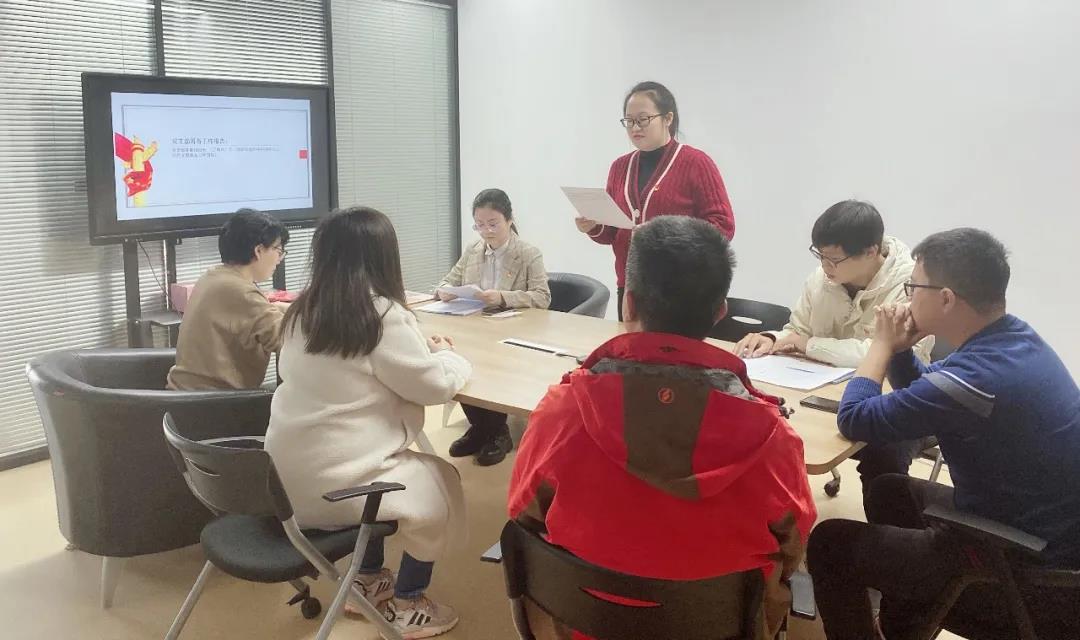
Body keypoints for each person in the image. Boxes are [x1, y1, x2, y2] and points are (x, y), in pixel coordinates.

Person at [509, 216, 816, 640]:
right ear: (720, 312)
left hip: (587, 623)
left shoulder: (563, 410)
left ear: (628, 304)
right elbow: (793, 542)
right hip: (720, 628)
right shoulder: (772, 437)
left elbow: (523, 512)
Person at [807, 228, 1080, 640]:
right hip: (1038, 534)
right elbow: (929, 392)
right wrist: (901, 350)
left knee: (830, 544)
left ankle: (918, 608)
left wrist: (881, 346)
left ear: (946, 298)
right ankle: (904, 625)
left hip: (1029, 577)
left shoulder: (978, 380)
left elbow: (855, 418)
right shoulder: (1014, 340)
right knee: (889, 490)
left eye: (914, 287)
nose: (907, 296)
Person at [265, 207, 472, 639]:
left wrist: (419, 352)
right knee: (440, 482)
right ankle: (409, 603)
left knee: (381, 469)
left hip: (281, 484)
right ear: (384, 256)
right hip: (338, 486)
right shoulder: (381, 315)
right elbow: (434, 387)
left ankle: (368, 578)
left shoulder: (300, 312)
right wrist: (450, 358)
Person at [735, 200, 933, 503]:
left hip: (893, 396)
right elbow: (798, 329)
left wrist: (809, 345)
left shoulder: (910, 285)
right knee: (760, 426)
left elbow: (883, 352)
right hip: (822, 393)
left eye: (834, 259)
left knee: (885, 456)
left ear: (871, 251)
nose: (825, 266)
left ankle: (886, 526)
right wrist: (772, 338)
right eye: (820, 256)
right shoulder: (822, 278)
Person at [574, 81, 735, 320]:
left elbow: (723, 226)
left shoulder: (696, 163)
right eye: (629, 121)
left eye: (643, 119)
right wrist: (593, 226)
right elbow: (612, 233)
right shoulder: (620, 167)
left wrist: (665, 234)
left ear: (667, 118)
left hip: (681, 287)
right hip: (630, 285)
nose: (635, 127)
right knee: (630, 344)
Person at [438, 188, 550, 466]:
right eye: (480, 225)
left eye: (493, 224)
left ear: (509, 220)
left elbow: (542, 297)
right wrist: (446, 291)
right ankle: (481, 428)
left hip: (513, 330)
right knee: (460, 357)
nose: (486, 231)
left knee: (490, 363)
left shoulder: (528, 253)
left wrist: (502, 297)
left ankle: (498, 432)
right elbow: (447, 281)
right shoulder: (473, 250)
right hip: (476, 326)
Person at [167, 208, 289, 391]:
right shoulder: (241, 292)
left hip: (186, 395)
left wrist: (286, 309)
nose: (280, 259)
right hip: (215, 402)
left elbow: (258, 313)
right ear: (258, 251)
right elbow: (287, 341)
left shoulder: (214, 276)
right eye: (278, 250)